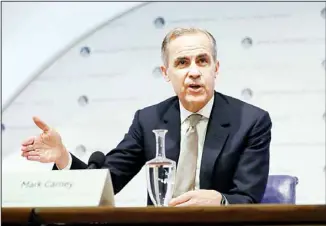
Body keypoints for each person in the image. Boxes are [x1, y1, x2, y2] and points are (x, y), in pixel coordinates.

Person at [21, 27, 272, 207]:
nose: (194, 72)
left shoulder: (250, 121)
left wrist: (220, 200)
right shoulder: (149, 120)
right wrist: (63, 157)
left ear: (215, 68)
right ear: (166, 72)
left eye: (202, 61)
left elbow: (248, 197)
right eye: (182, 62)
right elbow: (107, 183)